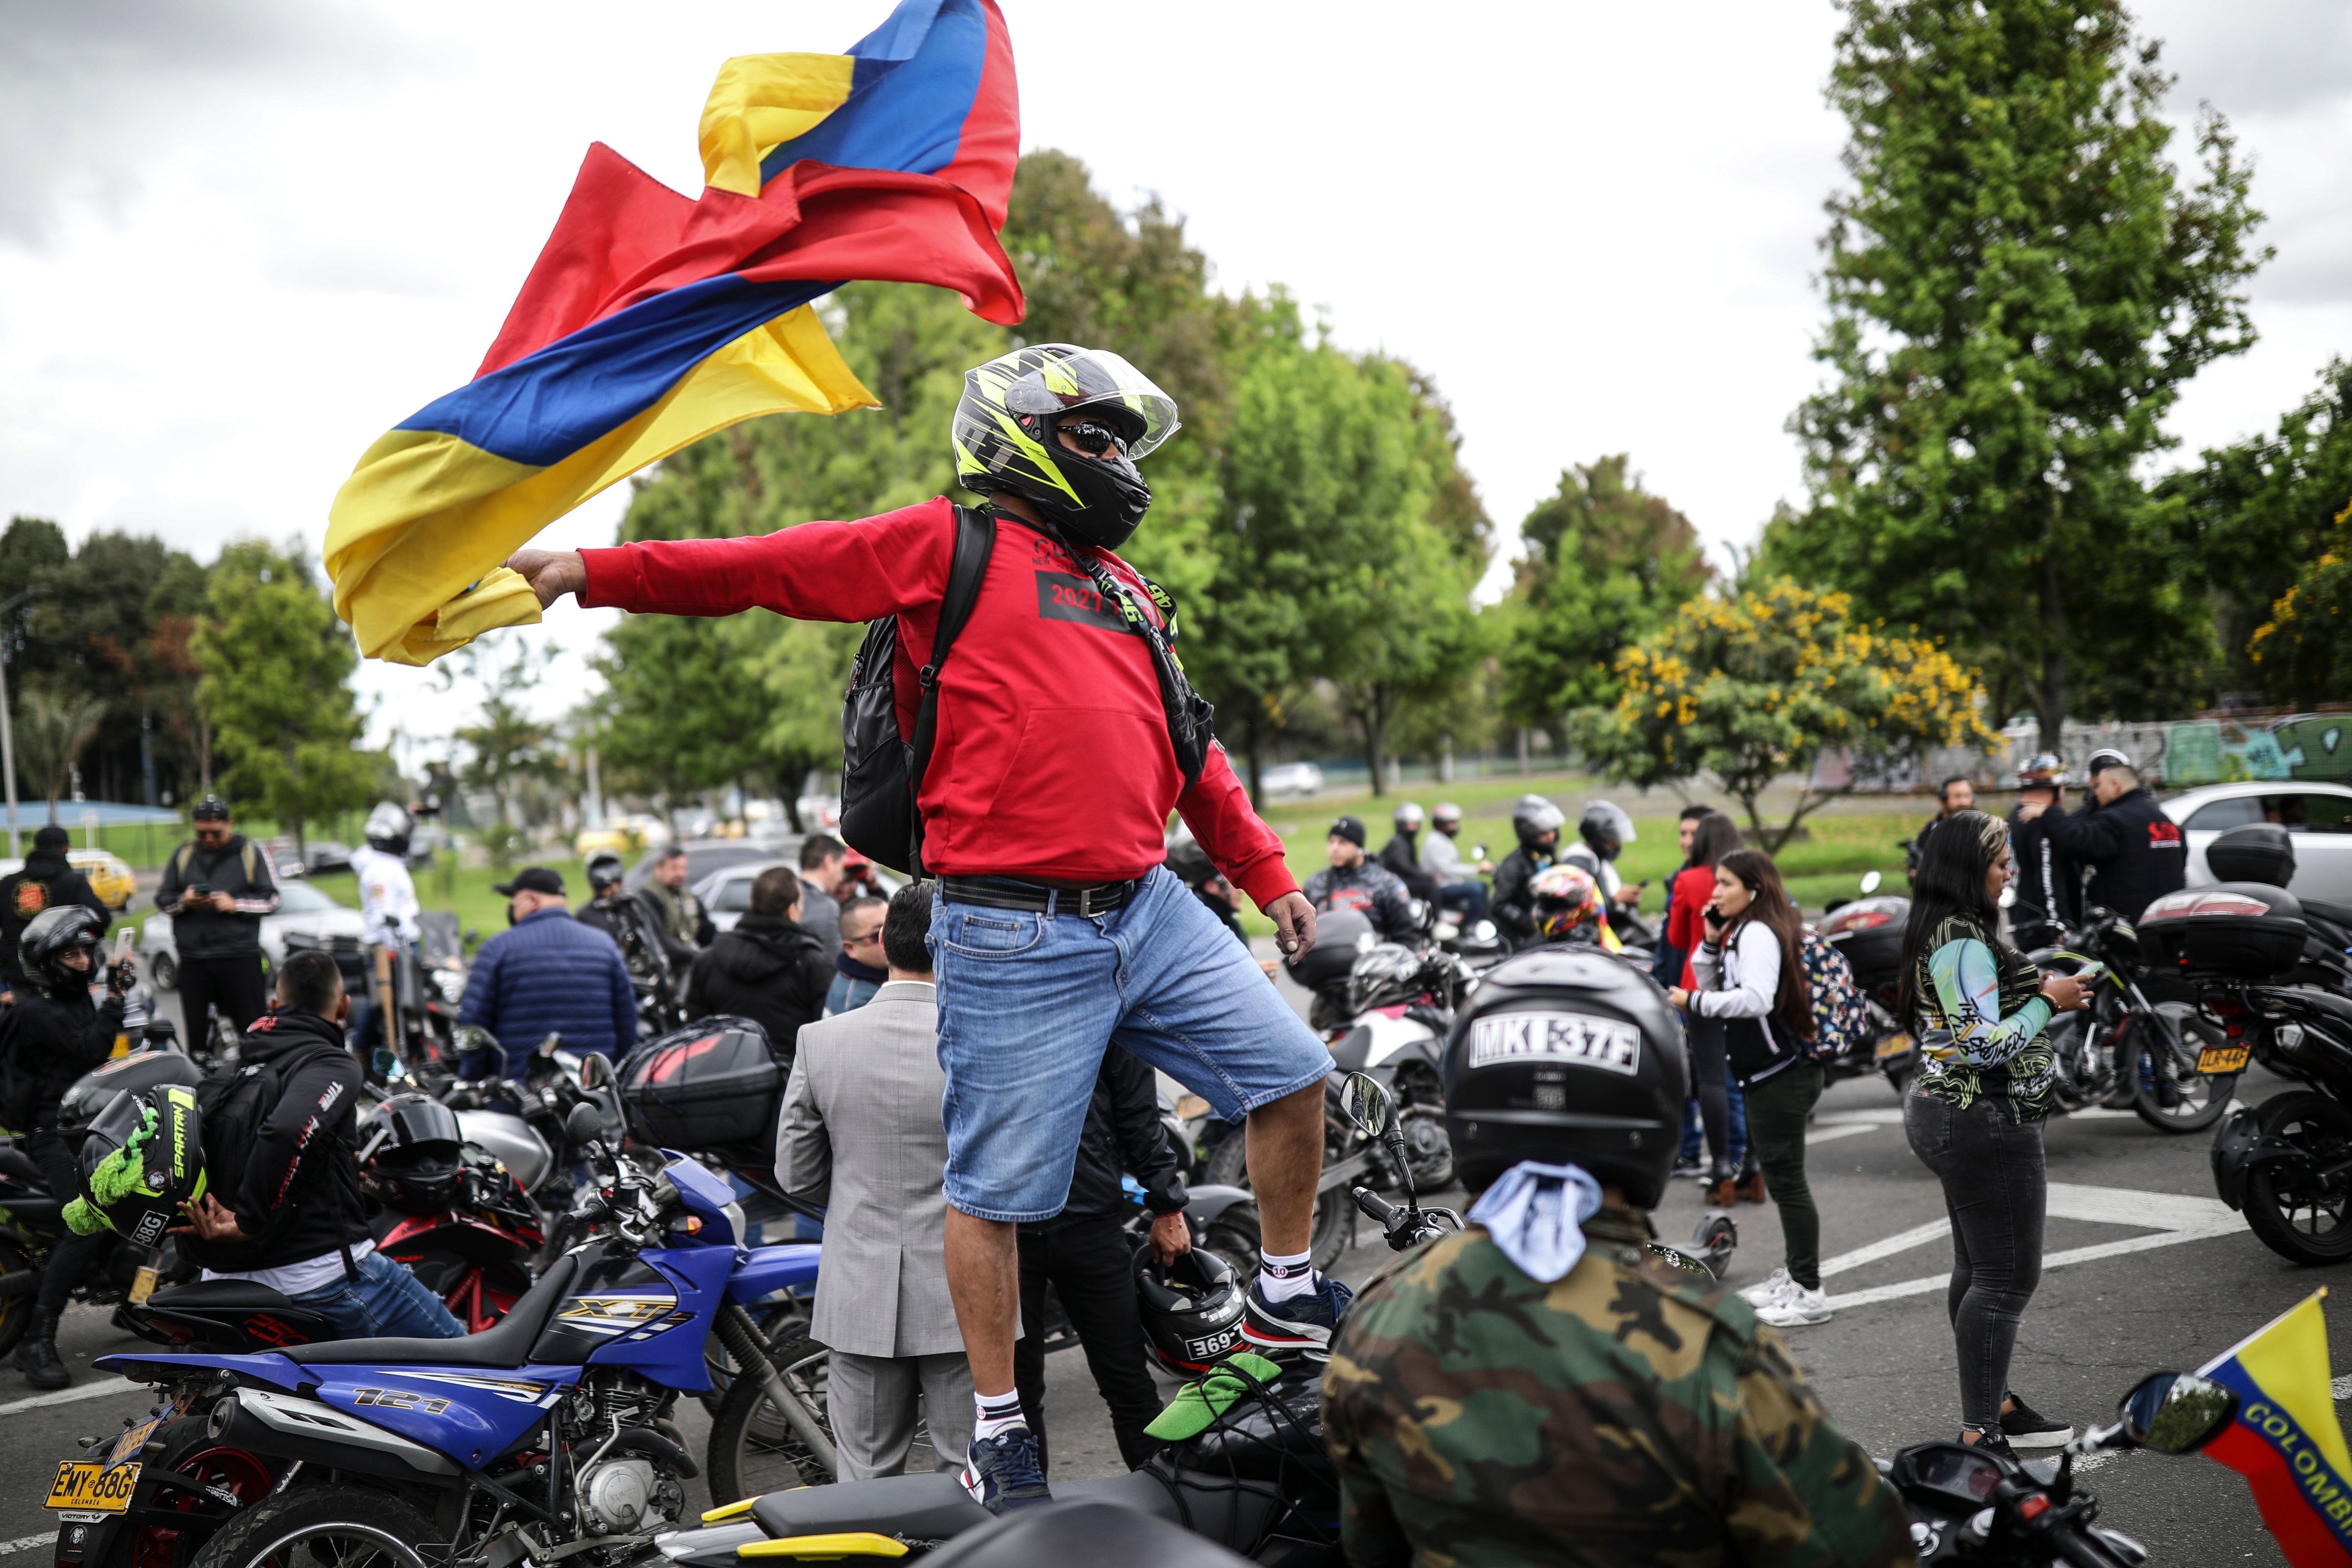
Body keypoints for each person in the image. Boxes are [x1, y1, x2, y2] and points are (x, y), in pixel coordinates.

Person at [505, 343, 1336, 1517]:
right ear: (1017, 439)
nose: (1116, 459)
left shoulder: (1127, 589)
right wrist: (589, 569)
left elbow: (1191, 751)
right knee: (992, 1194)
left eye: (1119, 440)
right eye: (1094, 436)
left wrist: (1265, 871)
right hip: (1005, 922)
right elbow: (770, 566)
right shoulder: (948, 544)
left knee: (1294, 1073)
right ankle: (998, 1428)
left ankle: (1284, 1300)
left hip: (1147, 903)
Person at [1325, 946, 1914, 1567]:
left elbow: (1369, 1547)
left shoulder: (1377, 1318)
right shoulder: (1711, 1345)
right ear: (1655, 1108)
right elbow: (1863, 1551)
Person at [1898, 810, 2090, 1454]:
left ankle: (1994, 1402)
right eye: (2002, 861)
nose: (2011, 871)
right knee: (2006, 1278)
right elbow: (1980, 1045)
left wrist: (2041, 986)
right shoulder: (1960, 941)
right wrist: (2049, 1001)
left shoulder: (1955, 929)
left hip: (1962, 1113)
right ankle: (1980, 1432)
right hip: (1981, 1115)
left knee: (1980, 1268)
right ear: (1970, 867)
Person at [775, 883, 973, 1481]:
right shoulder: (981, 1040)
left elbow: (796, 1171)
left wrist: (855, 1191)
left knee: (865, 1474)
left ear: (883, 942)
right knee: (970, 1469)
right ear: (951, 945)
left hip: (859, 1280)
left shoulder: (821, 1040)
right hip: (967, 1282)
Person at [170, 949, 464, 1341]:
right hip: (320, 1276)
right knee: (469, 1358)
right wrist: (249, 1222)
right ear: (343, 1007)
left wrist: (343, 1162)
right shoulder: (332, 1063)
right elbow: (288, 1132)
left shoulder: (233, 1071)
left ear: (274, 1007)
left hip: (221, 1280)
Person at [1014, 1043, 1189, 1475]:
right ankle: (1026, 1512)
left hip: (1089, 1224)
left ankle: (1164, 1498)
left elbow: (1138, 1116)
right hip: (1007, 1234)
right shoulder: (986, 1008)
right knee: (1016, 1398)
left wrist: (1168, 1207)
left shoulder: (1104, 1011)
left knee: (1128, 1384)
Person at [1672, 849, 1827, 1325]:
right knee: (1781, 1180)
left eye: (1726, 884)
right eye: (1716, 883)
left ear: (1754, 890)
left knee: (1788, 1182)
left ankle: (1809, 1292)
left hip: (1782, 1074)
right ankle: (1797, 1277)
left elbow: (1755, 999)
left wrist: (1693, 1002)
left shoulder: (1758, 932)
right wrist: (1711, 940)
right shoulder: (1743, 930)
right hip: (1768, 1072)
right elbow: (1713, 980)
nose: (1715, 893)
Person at [0, 908, 130, 1385]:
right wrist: (115, 998)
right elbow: (91, 1047)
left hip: (83, 1125)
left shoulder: (72, 1001)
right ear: (47, 964)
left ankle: (139, 1297)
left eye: (87, 952)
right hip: (50, 1134)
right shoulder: (36, 1011)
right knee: (89, 1218)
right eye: (71, 955)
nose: (83, 962)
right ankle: (37, 1340)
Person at [456, 868, 638, 1080]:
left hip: (520, 1090)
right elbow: (627, 1023)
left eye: (514, 901)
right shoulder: (605, 946)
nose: (512, 907)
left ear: (532, 900)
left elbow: (473, 1026)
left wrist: (476, 1078)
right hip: (593, 1088)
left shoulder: (498, 949)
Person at [1665, 813, 1754, 1203]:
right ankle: (1751, 1162)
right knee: (1747, 1077)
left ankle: (1721, 1167)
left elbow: (1676, 938)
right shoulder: (1750, 876)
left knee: (1713, 1081)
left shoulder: (1689, 880)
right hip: (1743, 981)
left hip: (1698, 985)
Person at [153, 797, 279, 1049]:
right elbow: (163, 900)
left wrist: (236, 904)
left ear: (229, 823)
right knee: (198, 1043)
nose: (209, 839)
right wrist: (184, 902)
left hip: (239, 957)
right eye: (202, 834)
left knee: (255, 1037)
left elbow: (273, 899)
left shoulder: (249, 852)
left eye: (216, 833)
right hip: (194, 960)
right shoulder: (184, 853)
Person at [686, 867, 832, 1057]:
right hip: (792, 1071)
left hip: (724, 1070)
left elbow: (696, 1032)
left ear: (752, 902)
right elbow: (827, 1031)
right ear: (792, 910)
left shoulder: (708, 960)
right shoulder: (812, 962)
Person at [2024, 750, 2184, 924]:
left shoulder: (2114, 820)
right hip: (2167, 921)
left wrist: (2050, 813)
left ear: (2116, 785)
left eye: (2097, 787)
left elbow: (2078, 840)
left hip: (2128, 925)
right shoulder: (2164, 820)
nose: (2094, 794)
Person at [0, 825, 110, 1003]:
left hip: (19, 977)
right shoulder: (73, 882)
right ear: (66, 848)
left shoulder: (8, 885)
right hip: (64, 978)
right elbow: (101, 919)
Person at [347, 802, 423, 1062]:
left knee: (411, 998)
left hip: (403, 943)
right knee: (381, 1002)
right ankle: (359, 1052)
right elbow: (384, 914)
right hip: (389, 948)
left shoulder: (388, 862)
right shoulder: (379, 869)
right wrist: (395, 946)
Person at [1301, 818, 1418, 945]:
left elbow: (1406, 934)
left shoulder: (1385, 883)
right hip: (1327, 953)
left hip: (1374, 954)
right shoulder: (1315, 884)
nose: (1334, 848)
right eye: (1331, 842)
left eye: (1343, 843)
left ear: (1359, 847)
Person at [2006, 755, 2077, 949]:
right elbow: (2047, 877)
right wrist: (2060, 923)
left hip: (2022, 919)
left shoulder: (2013, 819)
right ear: (2056, 789)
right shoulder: (2039, 822)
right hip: (2045, 927)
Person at [1649, 805, 1716, 991]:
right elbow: (1669, 939)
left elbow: (1677, 938)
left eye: (1694, 834)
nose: (1687, 842)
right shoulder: (1680, 876)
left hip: (1701, 981)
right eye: (1683, 834)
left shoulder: (1724, 879)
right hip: (1676, 976)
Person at [1489, 794, 1565, 950]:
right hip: (1522, 939)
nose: (1551, 837)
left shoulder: (1547, 859)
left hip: (1549, 931)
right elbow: (1499, 905)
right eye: (1544, 834)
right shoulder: (1515, 864)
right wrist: (1531, 925)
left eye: (1553, 831)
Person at [636, 846, 715, 978]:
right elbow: (660, 941)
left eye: (683, 868)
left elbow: (707, 932)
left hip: (688, 970)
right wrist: (698, 956)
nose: (680, 874)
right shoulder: (648, 896)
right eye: (673, 868)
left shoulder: (687, 896)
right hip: (663, 974)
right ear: (658, 868)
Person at [1563, 800, 1645, 921]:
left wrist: (1624, 895)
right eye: (1612, 840)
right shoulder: (1578, 862)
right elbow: (1580, 907)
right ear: (1598, 837)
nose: (1616, 845)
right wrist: (1615, 900)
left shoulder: (1598, 858)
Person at [1419, 801, 1489, 925]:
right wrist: (1477, 869)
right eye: (1451, 823)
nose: (1455, 826)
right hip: (1441, 888)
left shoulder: (1443, 839)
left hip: (1450, 883)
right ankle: (1472, 926)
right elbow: (1447, 869)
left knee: (1481, 888)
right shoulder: (1435, 841)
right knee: (1477, 889)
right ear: (1440, 824)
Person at [826, 895, 890, 1015]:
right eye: (877, 935)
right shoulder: (858, 1004)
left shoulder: (876, 975)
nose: (893, 938)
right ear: (850, 949)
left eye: (894, 928)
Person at [1376, 803, 1442, 905]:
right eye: (1410, 824)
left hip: (1399, 879)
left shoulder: (1407, 842)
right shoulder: (1399, 843)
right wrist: (1428, 876)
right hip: (1394, 882)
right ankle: (1434, 914)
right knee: (1430, 886)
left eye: (1416, 824)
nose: (1414, 828)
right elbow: (1405, 867)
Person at [796, 834, 847, 961]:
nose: (841, 878)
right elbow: (834, 959)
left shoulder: (785, 894)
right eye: (841, 868)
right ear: (829, 862)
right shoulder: (826, 906)